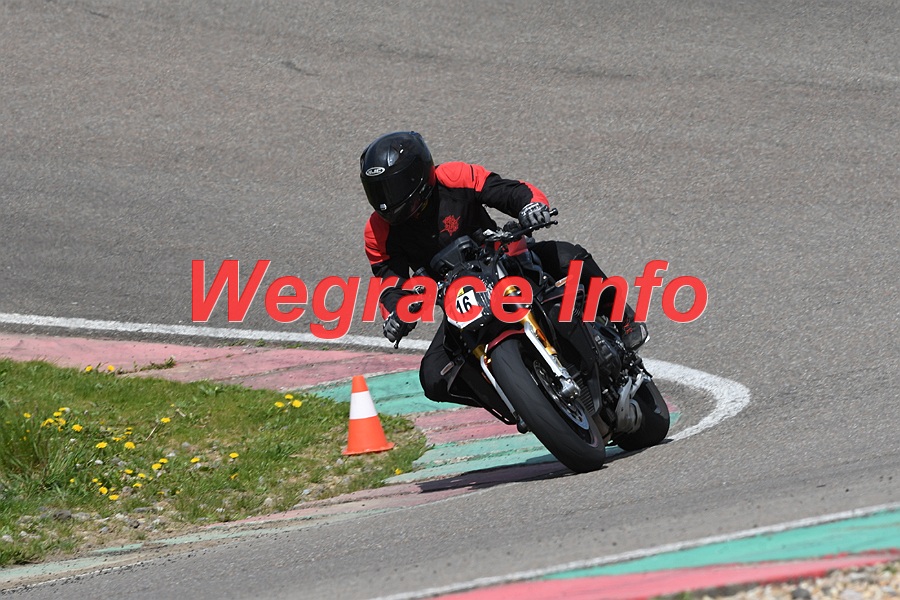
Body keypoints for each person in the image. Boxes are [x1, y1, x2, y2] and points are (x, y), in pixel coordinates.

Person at [360, 131, 645, 408]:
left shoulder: (453, 177)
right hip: (458, 299)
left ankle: (622, 319)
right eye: (378, 190)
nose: (386, 199)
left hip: (504, 260)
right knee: (433, 376)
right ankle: (516, 400)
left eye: (392, 187)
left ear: (417, 175)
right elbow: (390, 283)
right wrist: (396, 313)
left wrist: (531, 207)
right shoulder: (377, 231)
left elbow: (508, 191)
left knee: (570, 257)